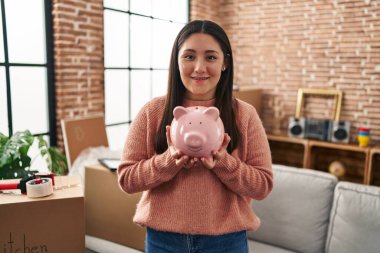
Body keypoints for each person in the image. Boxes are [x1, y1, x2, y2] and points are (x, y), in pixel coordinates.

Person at [117, 19, 273, 253]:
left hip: (226, 242)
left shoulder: (244, 115)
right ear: (176, 61)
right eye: (189, 56)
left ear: (224, 63)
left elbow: (263, 186)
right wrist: (168, 161)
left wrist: (224, 163)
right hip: (163, 241)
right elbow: (127, 179)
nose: (199, 67)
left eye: (210, 57)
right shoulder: (153, 112)